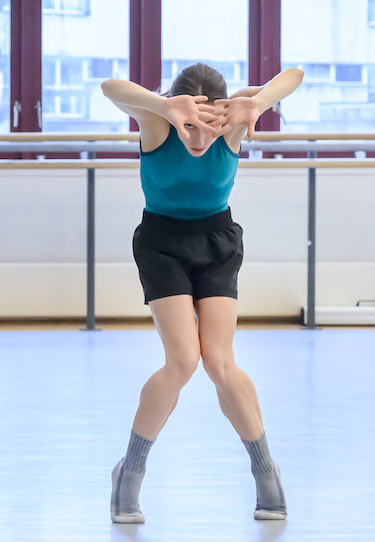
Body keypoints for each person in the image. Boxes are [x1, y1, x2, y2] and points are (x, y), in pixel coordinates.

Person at [100, 63, 303, 523]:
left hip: (217, 240)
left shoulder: (233, 120)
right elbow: (110, 86)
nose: (197, 138)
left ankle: (265, 470)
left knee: (219, 361)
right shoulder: (157, 121)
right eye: (189, 125)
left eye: (206, 126)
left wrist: (259, 102)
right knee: (183, 360)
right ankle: (129, 473)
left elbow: (295, 74)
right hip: (161, 243)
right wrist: (164, 106)